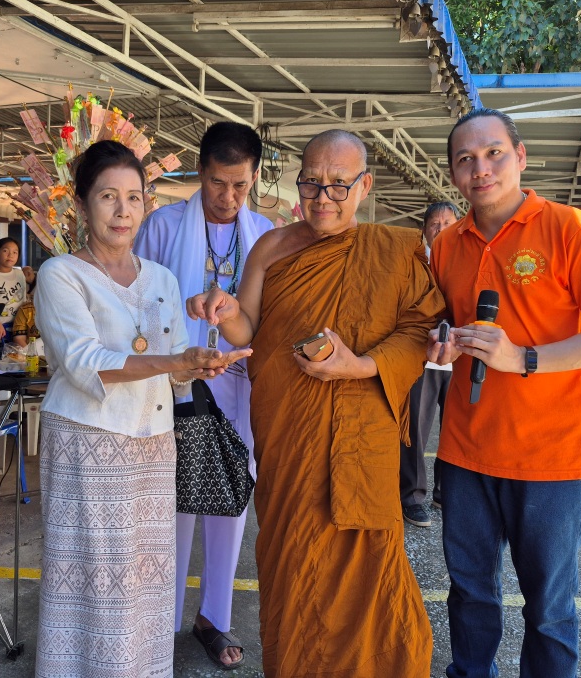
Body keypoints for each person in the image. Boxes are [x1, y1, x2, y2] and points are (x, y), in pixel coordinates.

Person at [188, 129, 444, 677]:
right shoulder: (271, 247)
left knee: (371, 575)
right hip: (288, 441)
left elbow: (419, 331)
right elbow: (247, 327)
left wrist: (359, 365)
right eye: (311, 183)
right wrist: (224, 311)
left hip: (363, 444)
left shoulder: (393, 251)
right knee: (293, 564)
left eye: (338, 185)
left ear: (365, 186)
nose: (322, 197)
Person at [427, 108, 581, 678]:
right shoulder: (447, 246)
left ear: (520, 157)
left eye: (493, 153)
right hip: (466, 452)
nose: (481, 168)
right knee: (469, 595)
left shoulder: (572, 230)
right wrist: (443, 342)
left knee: (548, 610)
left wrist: (523, 358)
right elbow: (441, 325)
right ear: (453, 173)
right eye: (465, 159)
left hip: (551, 457)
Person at [33, 140, 249, 678]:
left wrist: (200, 366)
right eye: (108, 196)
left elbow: (173, 369)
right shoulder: (61, 274)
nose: (123, 210)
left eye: (134, 197)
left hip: (154, 445)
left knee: (146, 579)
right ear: (82, 205)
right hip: (88, 443)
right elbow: (83, 362)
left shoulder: (161, 278)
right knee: (94, 577)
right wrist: (175, 360)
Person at [133, 121, 272, 669]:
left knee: (229, 499)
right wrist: (180, 340)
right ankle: (160, 617)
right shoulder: (162, 226)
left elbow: (268, 317)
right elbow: (137, 306)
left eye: (240, 185)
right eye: (217, 182)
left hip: (237, 386)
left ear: (254, 177)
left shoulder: (264, 234)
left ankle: (214, 617)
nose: (228, 197)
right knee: (171, 503)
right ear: (200, 171)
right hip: (174, 385)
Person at [400, 200, 461, 527]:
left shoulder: (467, 261)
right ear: (424, 229)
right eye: (435, 224)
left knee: (455, 429)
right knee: (415, 430)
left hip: (459, 358)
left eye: (447, 223)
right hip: (421, 358)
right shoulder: (413, 263)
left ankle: (443, 490)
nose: (441, 229)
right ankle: (411, 496)